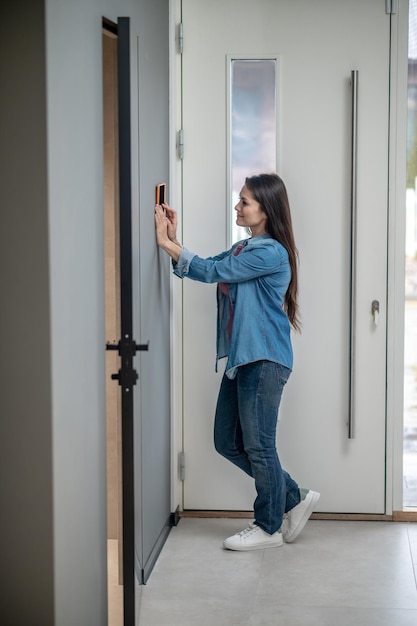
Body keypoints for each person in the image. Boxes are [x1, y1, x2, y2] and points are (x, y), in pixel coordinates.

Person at [154, 173, 320, 551]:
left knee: (260, 446)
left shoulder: (270, 252)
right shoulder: (244, 249)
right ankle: (293, 496)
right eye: (239, 200)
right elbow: (207, 266)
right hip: (245, 359)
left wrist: (167, 244)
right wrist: (174, 242)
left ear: (267, 209)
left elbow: (214, 272)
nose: (237, 206)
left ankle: (268, 526)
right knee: (226, 441)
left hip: (264, 359)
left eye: (244, 201)